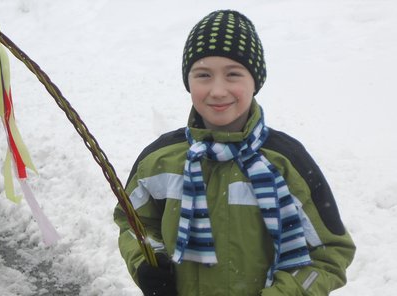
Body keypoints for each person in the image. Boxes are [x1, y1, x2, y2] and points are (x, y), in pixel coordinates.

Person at [114, 9, 355, 296]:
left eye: (233, 74)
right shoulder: (158, 161)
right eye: (203, 74)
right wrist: (147, 262)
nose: (217, 90)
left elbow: (329, 252)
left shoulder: (287, 164)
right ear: (187, 81)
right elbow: (133, 223)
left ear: (255, 81)